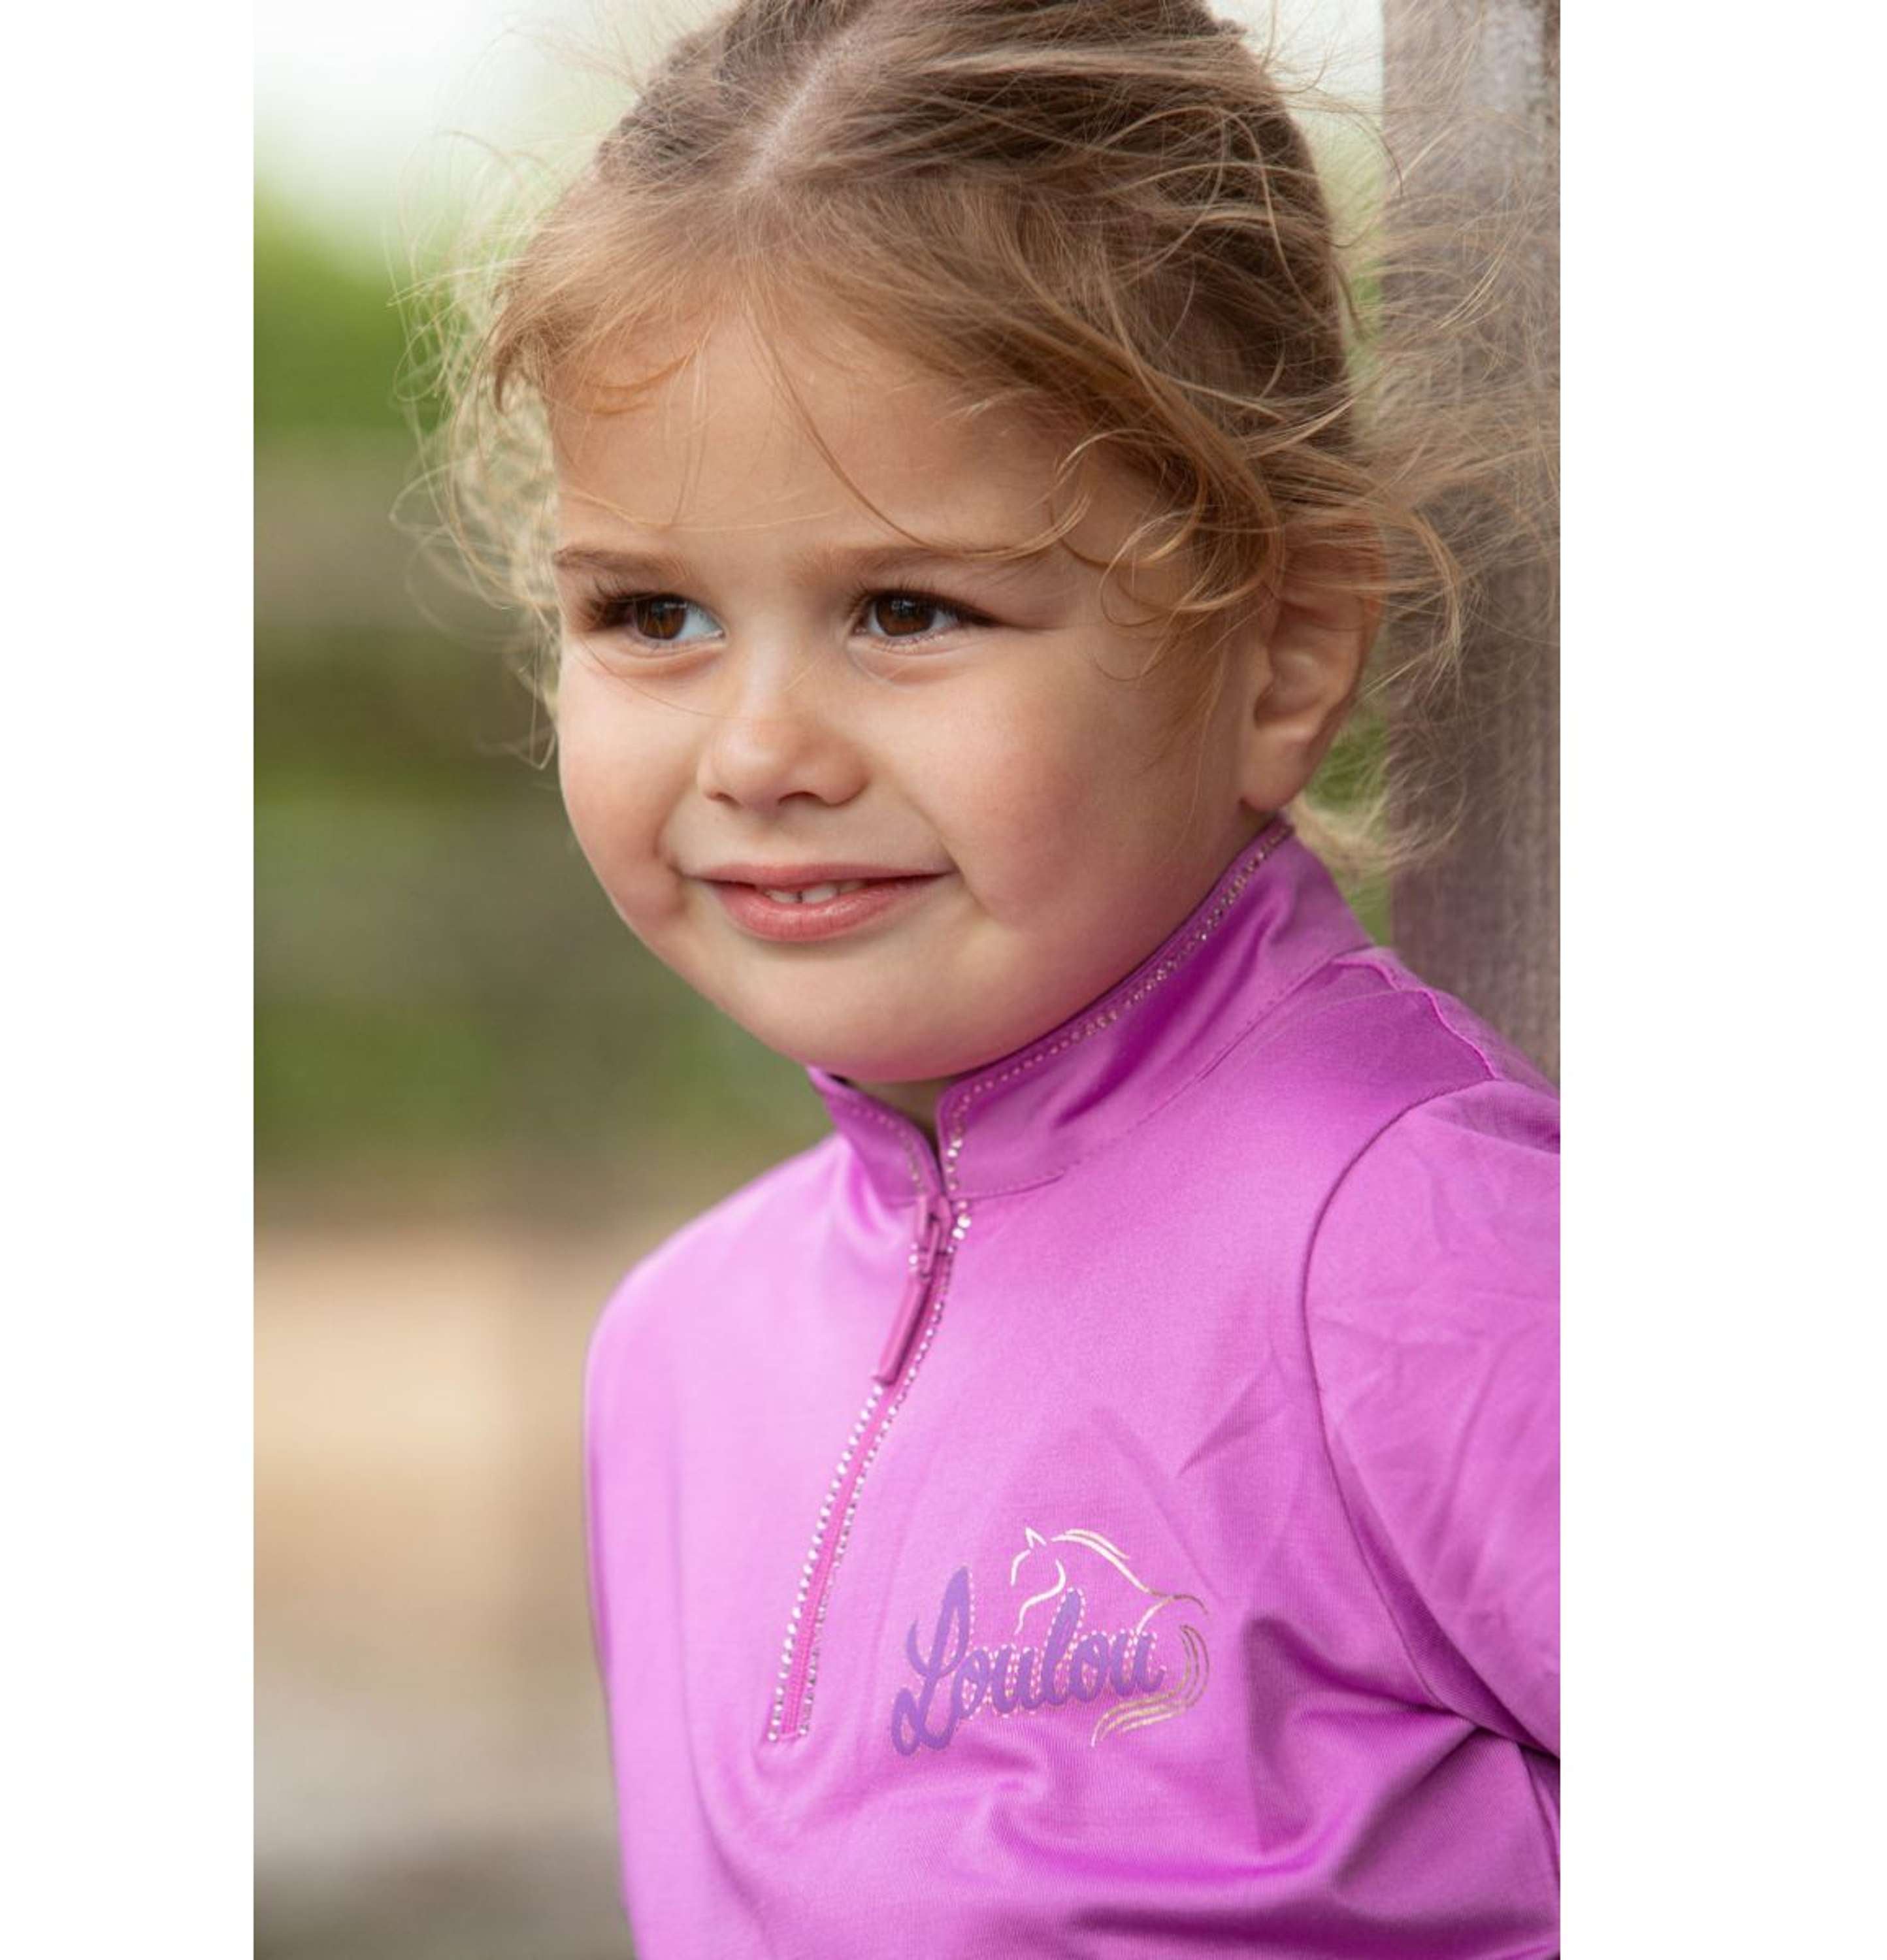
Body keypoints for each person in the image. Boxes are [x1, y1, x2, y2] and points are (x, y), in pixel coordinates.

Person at [433, 1, 1557, 1952]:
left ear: (1282, 650)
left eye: (908, 608)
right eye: (653, 613)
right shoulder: (675, 1353)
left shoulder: (1418, 1252)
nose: (761, 750)